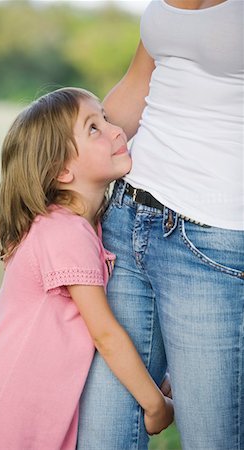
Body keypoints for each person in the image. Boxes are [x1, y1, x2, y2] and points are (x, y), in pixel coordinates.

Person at [0, 88, 173, 450]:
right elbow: (105, 335)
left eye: (107, 119)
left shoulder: (73, 227)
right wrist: (154, 404)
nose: (117, 131)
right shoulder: (65, 233)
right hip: (5, 427)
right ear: (61, 170)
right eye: (93, 128)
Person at [77, 1, 244, 449]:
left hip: (213, 240)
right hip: (128, 217)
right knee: (102, 438)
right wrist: (59, 176)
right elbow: (136, 88)